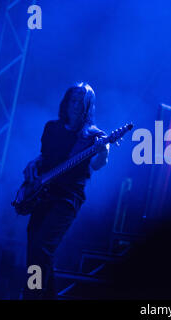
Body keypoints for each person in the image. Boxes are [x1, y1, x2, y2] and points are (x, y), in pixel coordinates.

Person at [21, 82, 110, 299]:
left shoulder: (94, 136)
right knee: (36, 247)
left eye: (81, 101)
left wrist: (103, 152)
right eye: (73, 99)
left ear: (88, 106)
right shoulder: (51, 128)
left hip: (67, 199)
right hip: (43, 193)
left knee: (42, 246)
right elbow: (46, 157)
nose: (76, 105)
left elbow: (97, 165)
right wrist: (34, 164)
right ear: (66, 102)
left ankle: (31, 294)